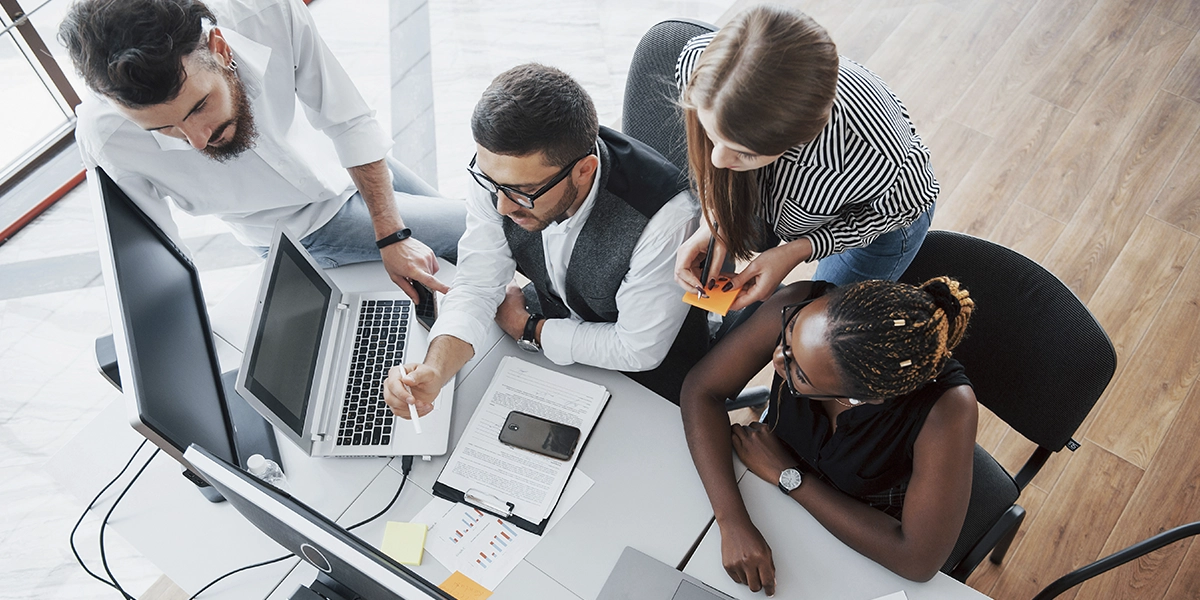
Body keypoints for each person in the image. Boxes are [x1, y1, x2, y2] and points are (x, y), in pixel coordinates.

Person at [59, 0, 465, 301]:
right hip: (300, 229)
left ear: (218, 48)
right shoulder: (107, 138)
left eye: (199, 106)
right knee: (483, 227)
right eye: (163, 129)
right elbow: (158, 256)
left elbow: (348, 120)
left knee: (483, 230)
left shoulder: (266, 12)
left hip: (344, 162)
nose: (198, 140)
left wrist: (391, 234)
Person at [383, 63, 707, 411]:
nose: (503, 206)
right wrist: (435, 370)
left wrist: (529, 328)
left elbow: (638, 349)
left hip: (650, 375)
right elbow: (478, 284)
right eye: (492, 183)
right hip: (554, 333)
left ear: (584, 171)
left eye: (524, 192)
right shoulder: (499, 176)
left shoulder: (665, 220)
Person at [680, 277, 977, 593]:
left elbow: (917, 560)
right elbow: (702, 389)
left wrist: (790, 477)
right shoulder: (801, 302)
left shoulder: (948, 409)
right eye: (789, 335)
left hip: (858, 533)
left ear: (855, 399)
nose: (778, 358)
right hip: (762, 485)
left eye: (800, 375)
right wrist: (732, 521)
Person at [674, 5, 938, 312]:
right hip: (794, 203)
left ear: (804, 137)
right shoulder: (700, 65)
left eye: (746, 152)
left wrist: (799, 250)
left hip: (880, 221)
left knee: (819, 319)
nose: (717, 160)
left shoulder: (874, 148)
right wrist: (714, 221)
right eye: (711, 135)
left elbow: (911, 200)